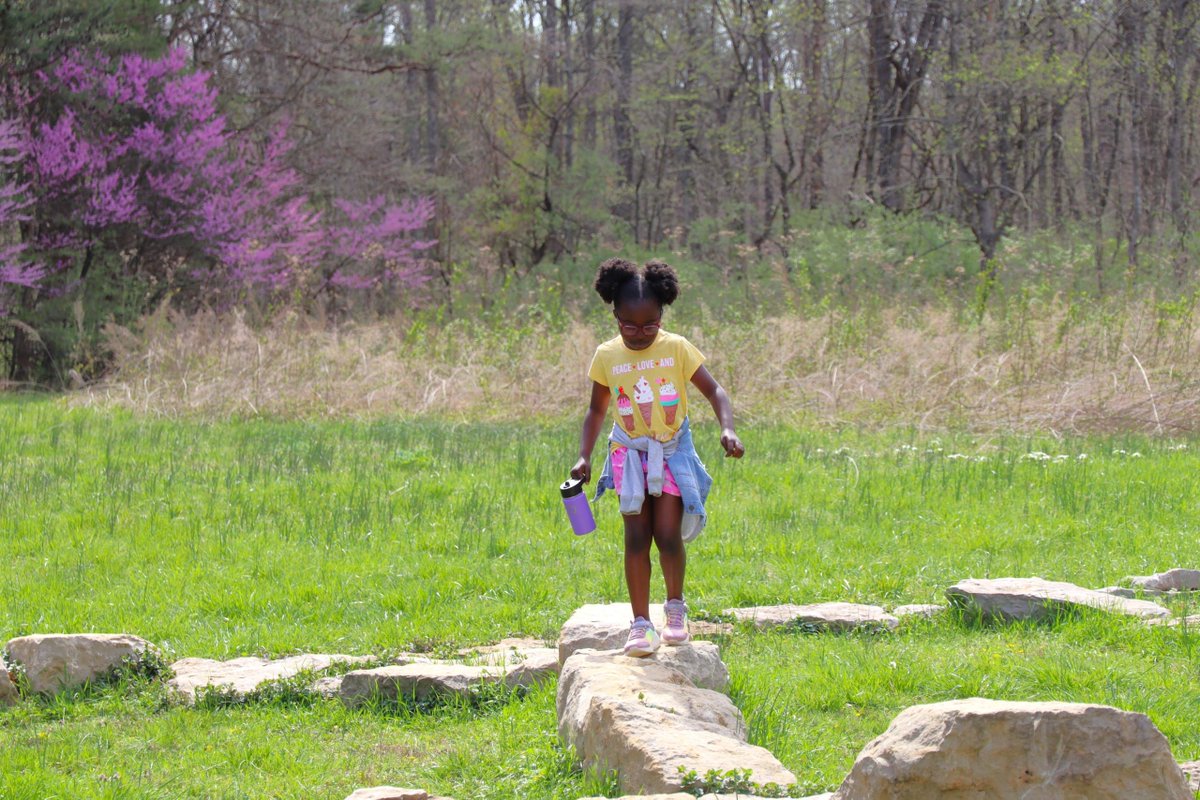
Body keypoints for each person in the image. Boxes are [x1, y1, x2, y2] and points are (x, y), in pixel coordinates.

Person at [570, 257, 745, 657]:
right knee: (636, 538)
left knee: (667, 536)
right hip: (628, 455)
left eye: (650, 324)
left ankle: (675, 608)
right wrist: (584, 456)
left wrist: (727, 428)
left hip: (670, 452)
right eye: (628, 325)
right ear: (614, 315)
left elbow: (715, 391)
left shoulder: (677, 348)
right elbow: (597, 411)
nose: (639, 334)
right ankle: (640, 624)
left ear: (662, 315)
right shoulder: (607, 355)